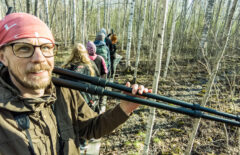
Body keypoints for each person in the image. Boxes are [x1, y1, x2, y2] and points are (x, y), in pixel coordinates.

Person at [0, 13, 149, 154]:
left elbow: (91, 127)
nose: (39, 58)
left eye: (46, 47)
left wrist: (125, 108)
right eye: (24, 48)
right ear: (3, 57)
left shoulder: (64, 91)